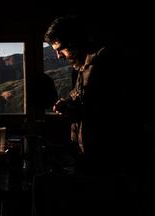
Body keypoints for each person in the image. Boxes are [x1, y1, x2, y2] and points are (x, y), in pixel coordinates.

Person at [44, 15, 141, 173]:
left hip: (109, 162)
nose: (59, 56)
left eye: (60, 49)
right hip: (86, 157)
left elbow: (118, 112)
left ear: (74, 41)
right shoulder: (80, 69)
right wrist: (68, 102)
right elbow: (82, 97)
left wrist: (77, 111)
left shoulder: (106, 63)